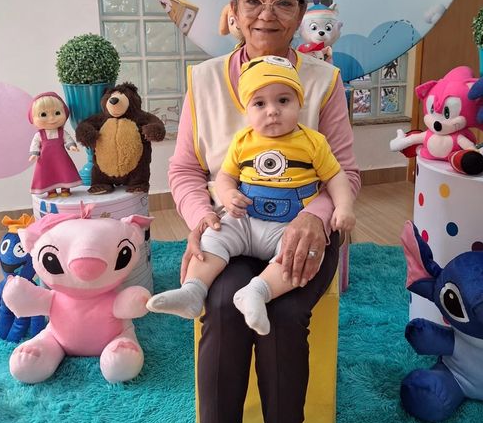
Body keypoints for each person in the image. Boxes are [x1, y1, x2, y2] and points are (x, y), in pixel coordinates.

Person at [167, 0, 360, 423]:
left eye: (283, 3)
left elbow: (344, 172)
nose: (266, 14)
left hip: (302, 226)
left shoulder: (325, 80)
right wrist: (202, 218)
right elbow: (184, 169)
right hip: (231, 227)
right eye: (253, 1)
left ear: (301, 15)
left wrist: (315, 216)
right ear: (233, 11)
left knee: (286, 313)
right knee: (222, 307)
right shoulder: (204, 80)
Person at [148, 55, 356, 336]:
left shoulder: (313, 142)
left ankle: (257, 292)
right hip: (245, 220)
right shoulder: (243, 140)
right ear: (247, 110)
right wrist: (228, 195)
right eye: (260, 104)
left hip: (287, 227)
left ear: (299, 104)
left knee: (297, 258)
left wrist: (343, 207)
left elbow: (336, 176)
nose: (272, 111)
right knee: (213, 238)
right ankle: (192, 292)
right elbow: (226, 176)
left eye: (283, 100)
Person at [28, 92, 82, 197]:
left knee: (64, 171)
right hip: (46, 159)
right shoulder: (39, 135)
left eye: (57, 113)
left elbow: (68, 139)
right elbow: (35, 144)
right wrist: (34, 153)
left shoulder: (62, 132)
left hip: (61, 158)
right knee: (48, 173)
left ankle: (65, 188)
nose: (52, 118)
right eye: (43, 115)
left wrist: (71, 146)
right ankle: (51, 190)